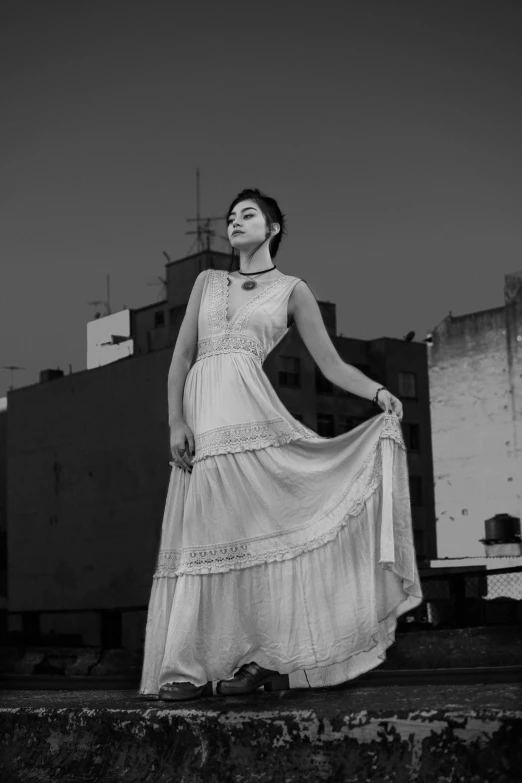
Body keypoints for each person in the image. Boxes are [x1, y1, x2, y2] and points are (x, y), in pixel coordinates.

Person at [139, 187, 423, 701]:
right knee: (204, 540)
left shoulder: (293, 290)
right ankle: (185, 666)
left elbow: (332, 365)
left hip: (256, 425)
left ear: (272, 229)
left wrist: (380, 391)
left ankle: (259, 662)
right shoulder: (208, 282)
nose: (235, 221)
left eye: (248, 214)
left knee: (261, 542)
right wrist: (175, 421)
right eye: (230, 217)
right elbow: (180, 359)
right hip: (204, 433)